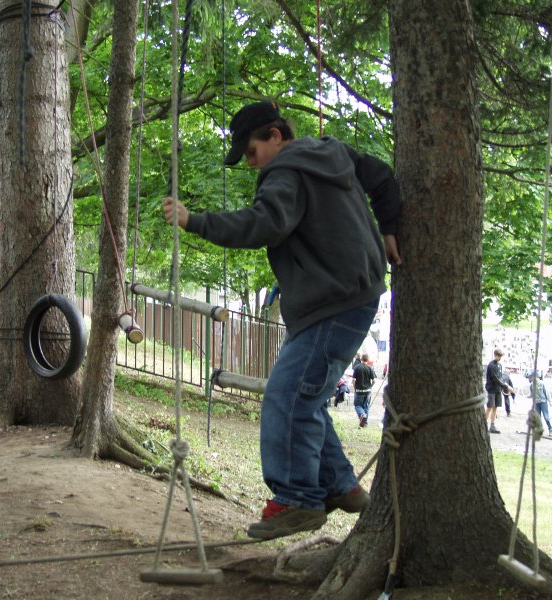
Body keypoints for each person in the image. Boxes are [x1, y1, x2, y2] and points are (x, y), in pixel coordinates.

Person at [162, 100, 402, 540]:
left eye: (252, 152)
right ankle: (339, 485)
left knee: (285, 398)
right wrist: (389, 228)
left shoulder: (285, 171)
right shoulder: (334, 153)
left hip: (332, 304)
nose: (252, 164)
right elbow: (382, 176)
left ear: (275, 135)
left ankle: (297, 500)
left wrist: (194, 221)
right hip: (351, 297)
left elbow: (265, 224)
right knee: (304, 396)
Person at [485, 348, 511, 433]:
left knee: (495, 407)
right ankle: (483, 425)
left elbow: (500, 377)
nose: (499, 358)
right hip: (491, 389)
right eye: (498, 356)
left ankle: (492, 426)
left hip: (497, 390)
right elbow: (495, 378)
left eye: (500, 356)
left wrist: (505, 386)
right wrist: (505, 386)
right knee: (489, 407)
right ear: (495, 355)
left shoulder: (499, 365)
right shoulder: (491, 365)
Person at [352, 353, 377, 427]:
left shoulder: (357, 368)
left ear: (361, 359)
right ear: (368, 360)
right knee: (366, 406)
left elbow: (353, 380)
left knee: (357, 405)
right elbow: (374, 381)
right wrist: (370, 386)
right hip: (368, 391)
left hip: (359, 390)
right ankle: (365, 423)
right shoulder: (370, 368)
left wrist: (355, 387)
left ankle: (362, 415)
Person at [527, 370, 552, 436]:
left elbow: (547, 392)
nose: (530, 378)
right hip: (536, 403)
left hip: (543, 402)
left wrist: (550, 401)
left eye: (531, 376)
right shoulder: (531, 385)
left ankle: (550, 428)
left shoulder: (542, 383)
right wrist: (526, 396)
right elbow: (531, 394)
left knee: (546, 417)